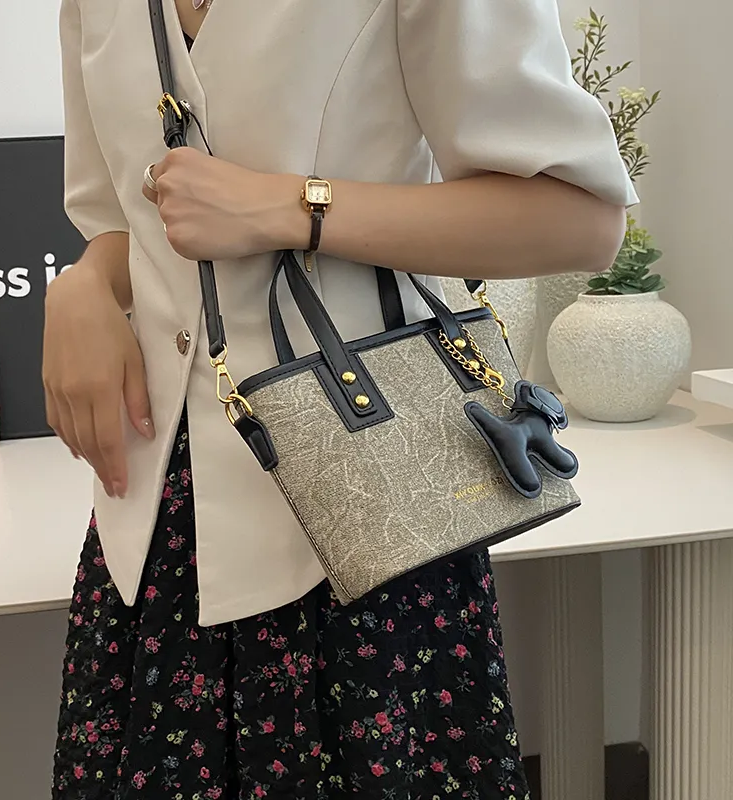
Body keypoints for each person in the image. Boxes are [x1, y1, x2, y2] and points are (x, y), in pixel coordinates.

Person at [46, 0, 636, 797]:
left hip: (366, 523)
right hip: (155, 536)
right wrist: (82, 287)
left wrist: (291, 207)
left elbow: (579, 216)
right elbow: (124, 224)